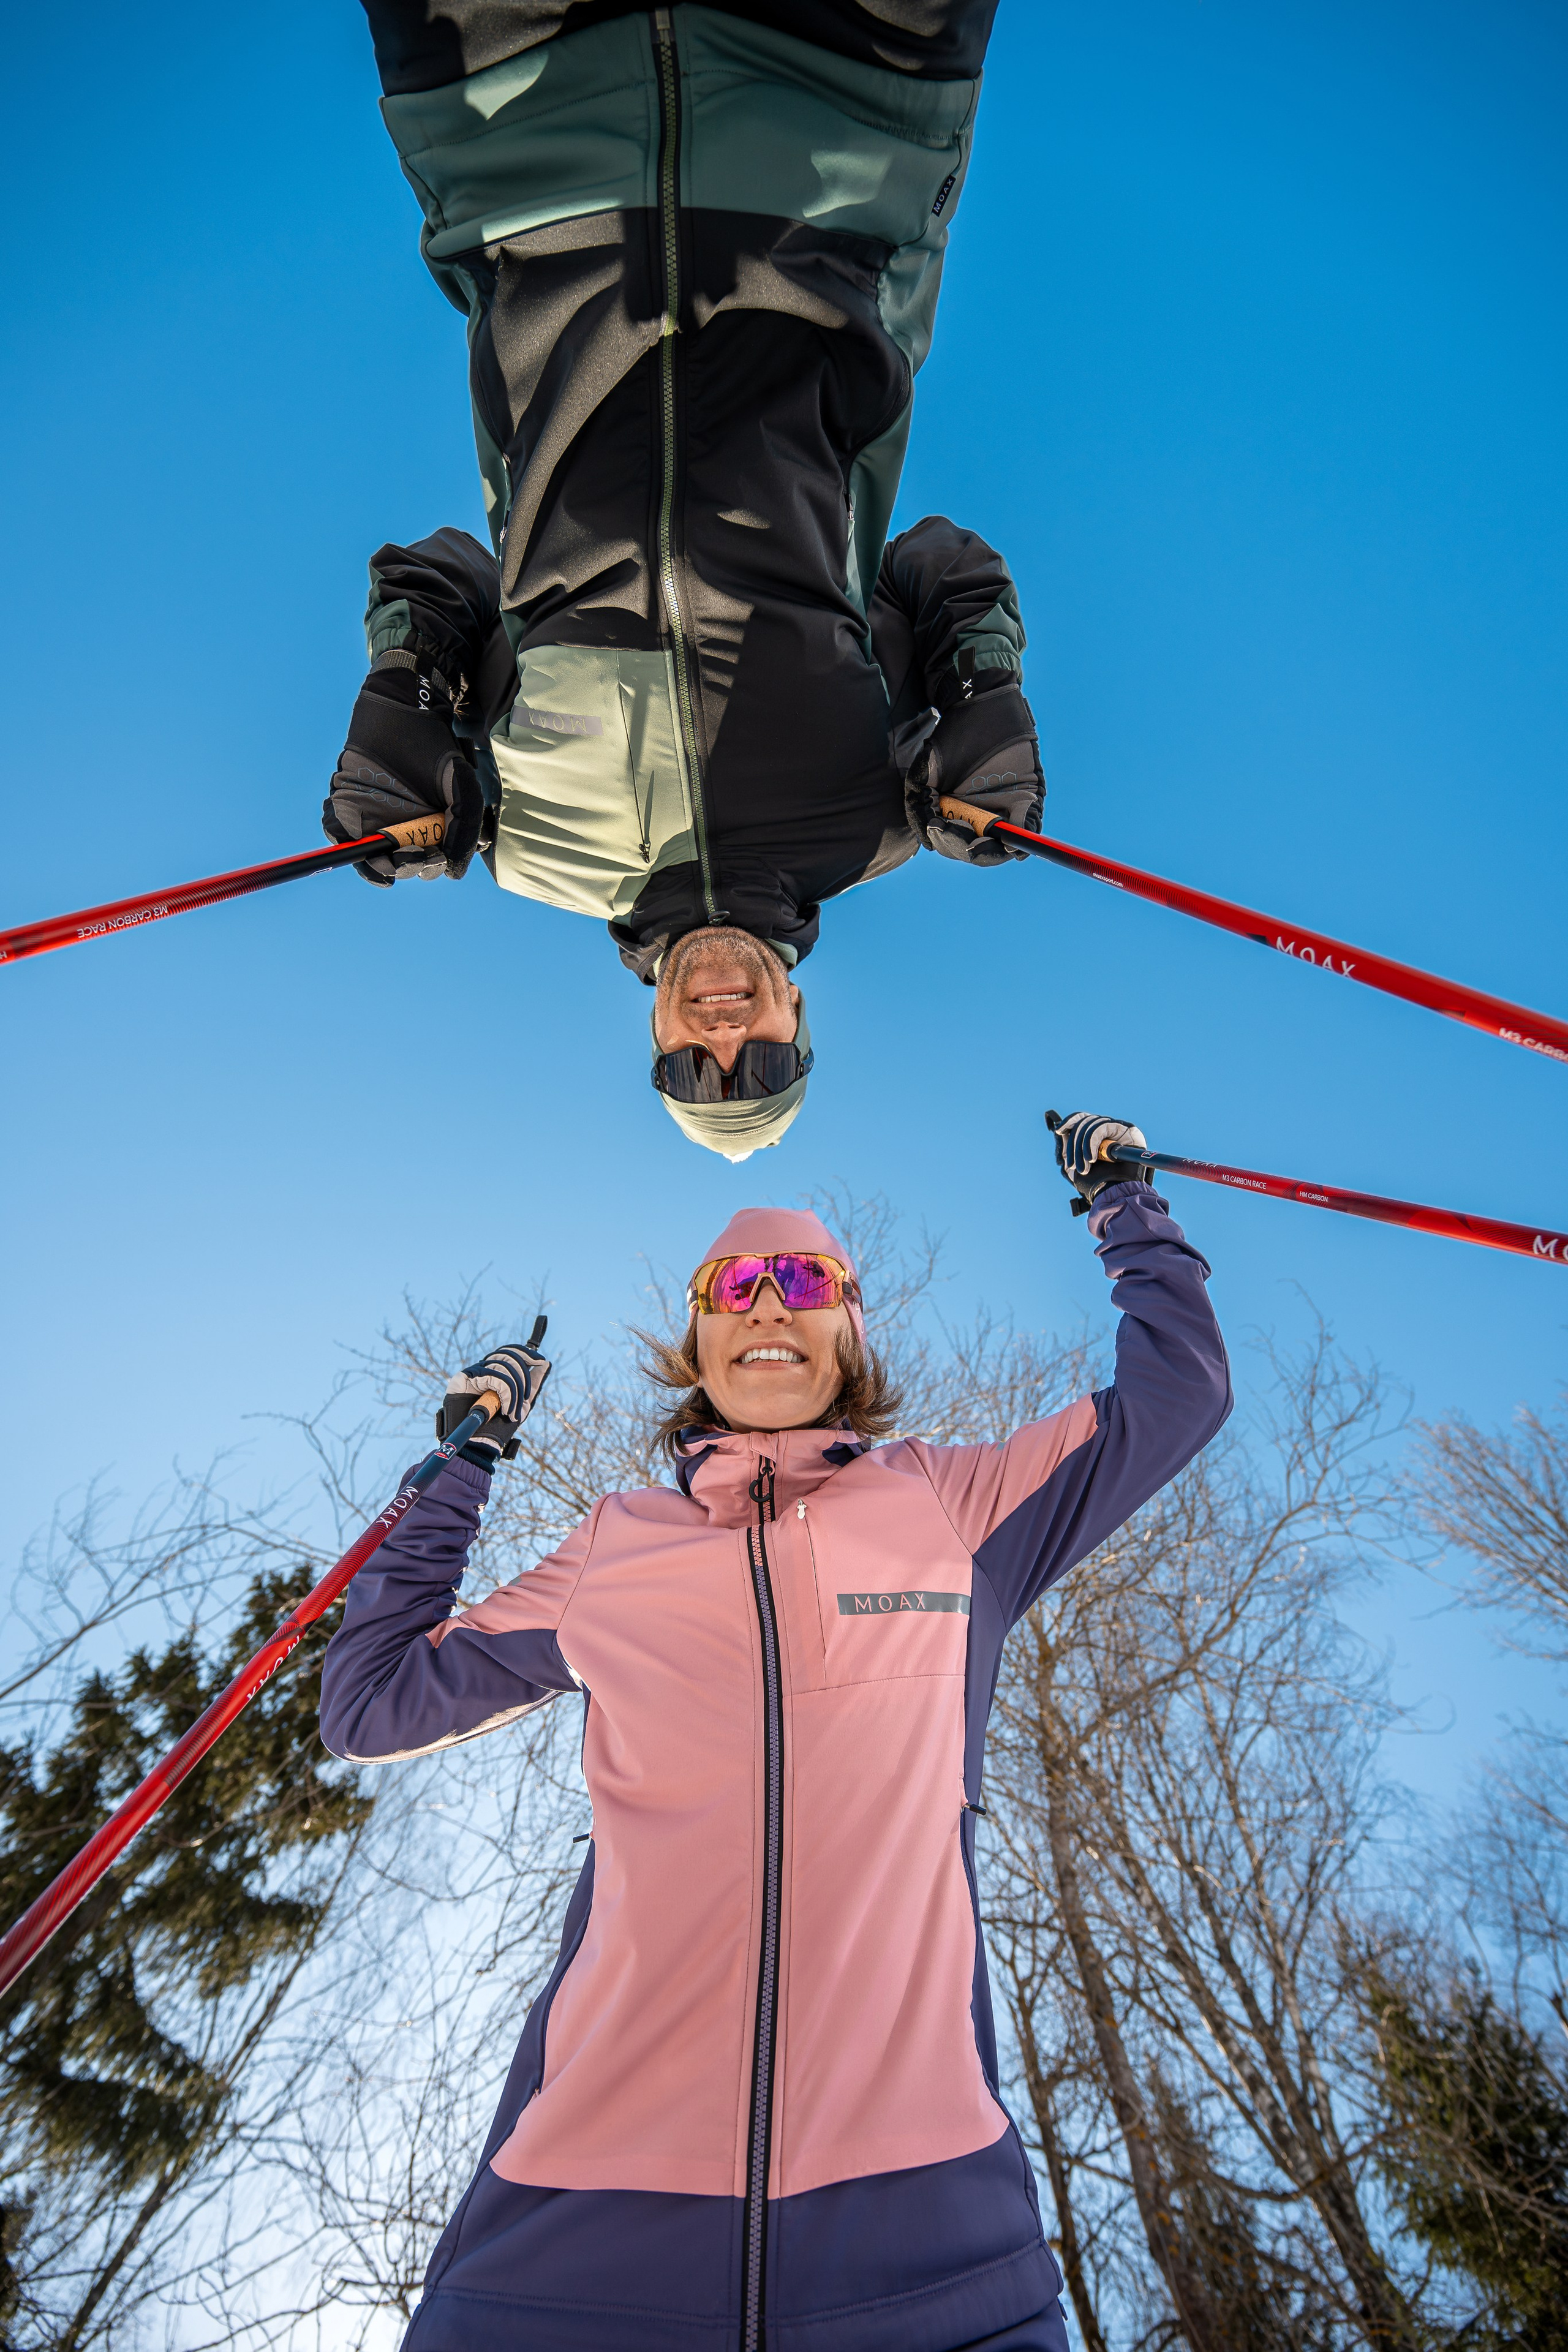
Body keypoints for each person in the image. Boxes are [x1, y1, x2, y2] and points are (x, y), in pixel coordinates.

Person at [318, 1112, 1233, 2351]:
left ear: (847, 1328)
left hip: (935, 2240)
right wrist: (467, 1460)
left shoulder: (950, 1505)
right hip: (565, 2237)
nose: (764, 1304)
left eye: (802, 1282)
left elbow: (1178, 1394)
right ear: (696, 1339)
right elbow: (371, 1703)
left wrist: (1121, 1200)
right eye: (731, 1286)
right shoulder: (615, 1545)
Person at [326, 1, 1044, 1159]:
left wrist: (405, 693)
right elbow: (936, 564)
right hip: (840, 147)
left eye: (690, 1073)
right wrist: (982, 691)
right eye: (762, 1067)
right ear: (798, 1017)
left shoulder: (519, 844)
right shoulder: (886, 817)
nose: (724, 1041)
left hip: (519, 150)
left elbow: (449, 573)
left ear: (652, 1035)